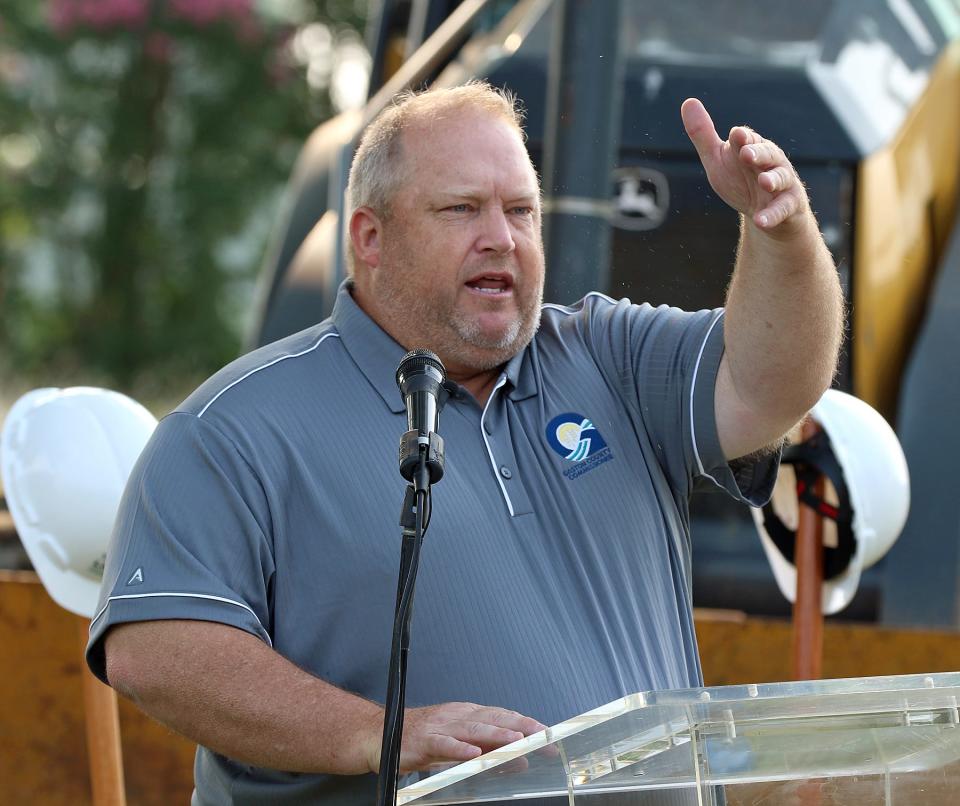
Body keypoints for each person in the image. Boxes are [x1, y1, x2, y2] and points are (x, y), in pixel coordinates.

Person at [86, 82, 842, 804]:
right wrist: (383, 736)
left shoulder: (606, 353)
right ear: (370, 237)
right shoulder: (234, 428)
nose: (501, 238)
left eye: (521, 210)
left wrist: (782, 233)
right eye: (462, 209)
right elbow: (155, 649)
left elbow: (768, 385)